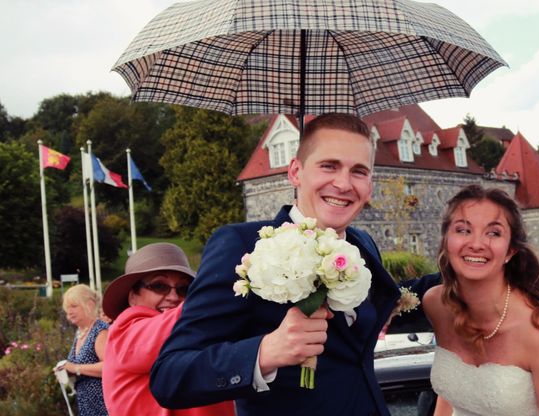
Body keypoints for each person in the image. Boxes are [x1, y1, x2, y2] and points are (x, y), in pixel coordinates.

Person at [150, 113, 440, 416]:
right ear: (295, 172)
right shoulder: (240, 246)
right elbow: (170, 376)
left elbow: (390, 301)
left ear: (369, 184)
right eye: (329, 166)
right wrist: (265, 352)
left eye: (359, 171)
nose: (343, 183)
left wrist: (469, 271)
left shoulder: (362, 244)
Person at [422, 185, 539, 416]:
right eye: (463, 230)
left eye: (493, 233)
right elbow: (450, 397)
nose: (476, 244)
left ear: (510, 251)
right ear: (446, 241)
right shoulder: (436, 304)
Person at [101, 242, 235, 416]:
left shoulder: (198, 326)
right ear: (133, 297)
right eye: (159, 286)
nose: (173, 297)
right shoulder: (125, 328)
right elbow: (179, 327)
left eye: (183, 289)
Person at [58, 284, 109, 416]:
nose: (68, 312)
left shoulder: (99, 329)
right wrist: (65, 371)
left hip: (102, 402)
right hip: (86, 403)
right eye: (67, 308)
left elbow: (108, 367)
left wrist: (74, 368)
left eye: (74, 306)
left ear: (90, 305)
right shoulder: (80, 332)